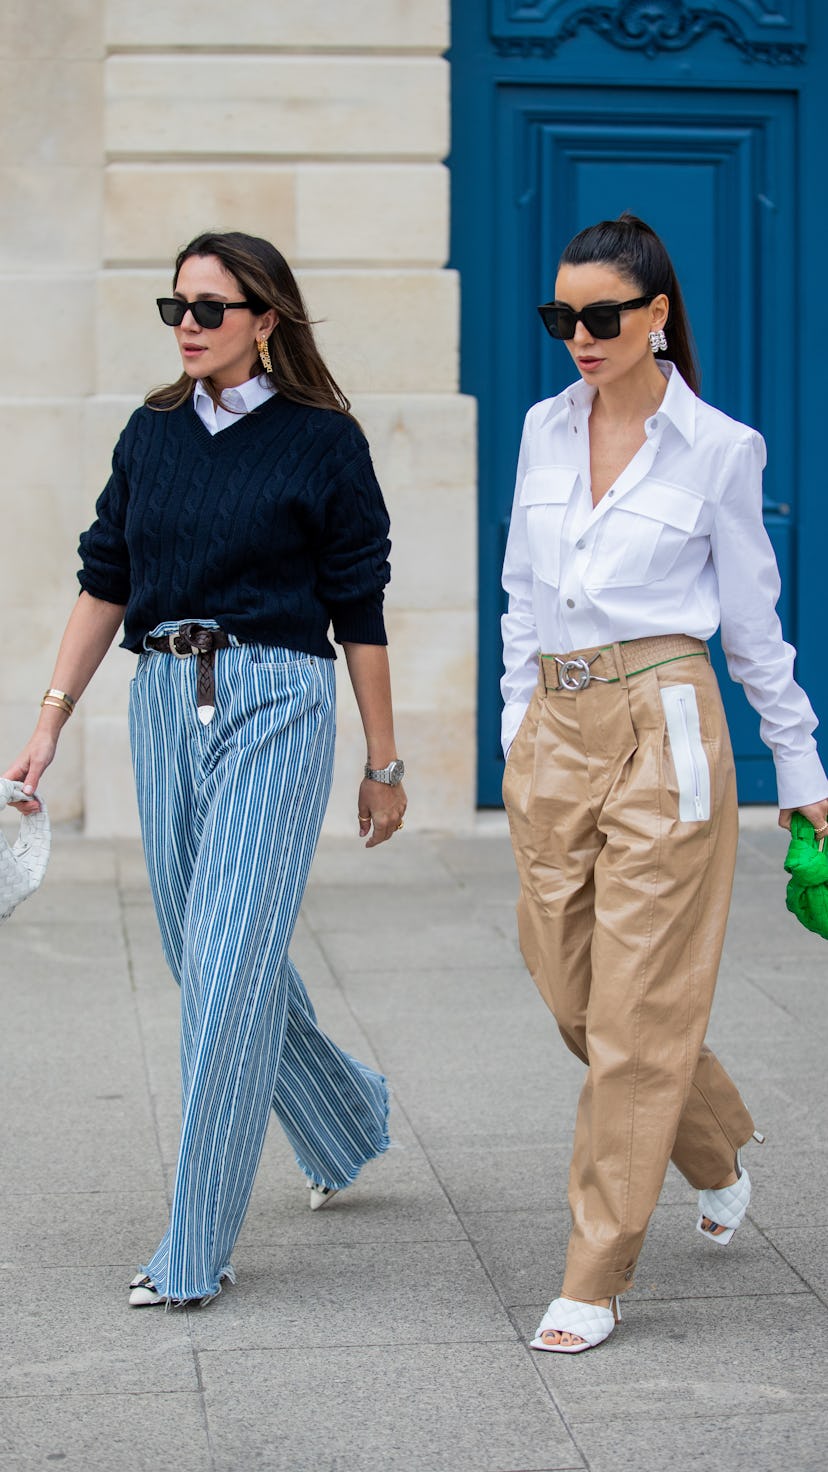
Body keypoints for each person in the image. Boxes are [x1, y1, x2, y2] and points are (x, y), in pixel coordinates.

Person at [3, 230, 407, 1308]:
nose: (187, 323)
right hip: (160, 700)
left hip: (279, 694)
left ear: (266, 321)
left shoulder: (324, 441)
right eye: (176, 304)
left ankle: (194, 1245)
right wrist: (48, 722)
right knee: (205, 949)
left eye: (211, 307)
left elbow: (358, 607)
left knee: (226, 968)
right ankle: (347, 1117)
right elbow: (105, 577)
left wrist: (384, 760)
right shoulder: (152, 431)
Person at [500, 212, 828, 1354]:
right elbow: (518, 598)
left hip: (669, 726)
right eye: (561, 317)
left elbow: (756, 629)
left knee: (637, 1012)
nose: (578, 337)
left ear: (655, 317)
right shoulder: (544, 430)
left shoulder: (718, 449)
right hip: (557, 723)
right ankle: (715, 1138)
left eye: (599, 317)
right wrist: (514, 722)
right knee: (572, 989)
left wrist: (802, 768)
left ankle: (594, 1270)